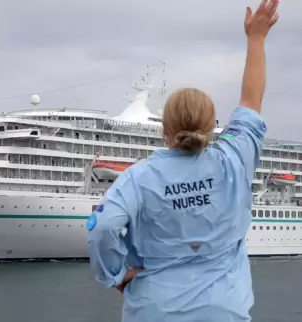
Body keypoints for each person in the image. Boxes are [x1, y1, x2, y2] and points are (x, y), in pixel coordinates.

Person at [86, 0, 280, 321]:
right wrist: (256, 39)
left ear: (164, 128)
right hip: (224, 310)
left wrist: (115, 275)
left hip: (154, 310)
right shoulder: (233, 158)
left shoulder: (139, 177)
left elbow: (102, 227)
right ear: (211, 124)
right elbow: (251, 99)